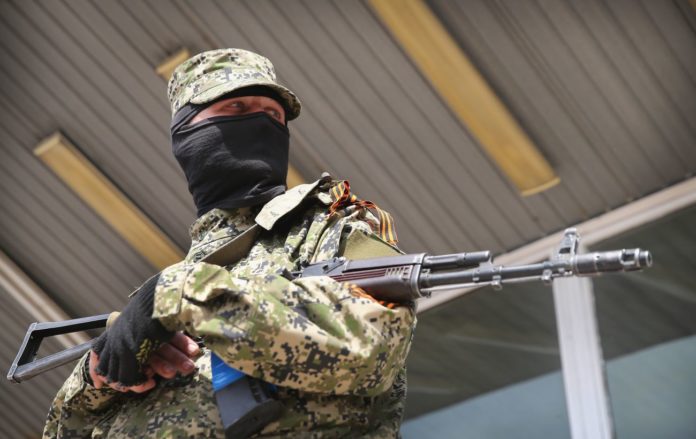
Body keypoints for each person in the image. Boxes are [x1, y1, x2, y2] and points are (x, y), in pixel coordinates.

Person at [43, 48, 416, 438]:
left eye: (273, 115)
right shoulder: (163, 290)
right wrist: (96, 377)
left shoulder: (332, 227)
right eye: (236, 108)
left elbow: (371, 349)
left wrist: (180, 294)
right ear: (185, 134)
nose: (260, 123)